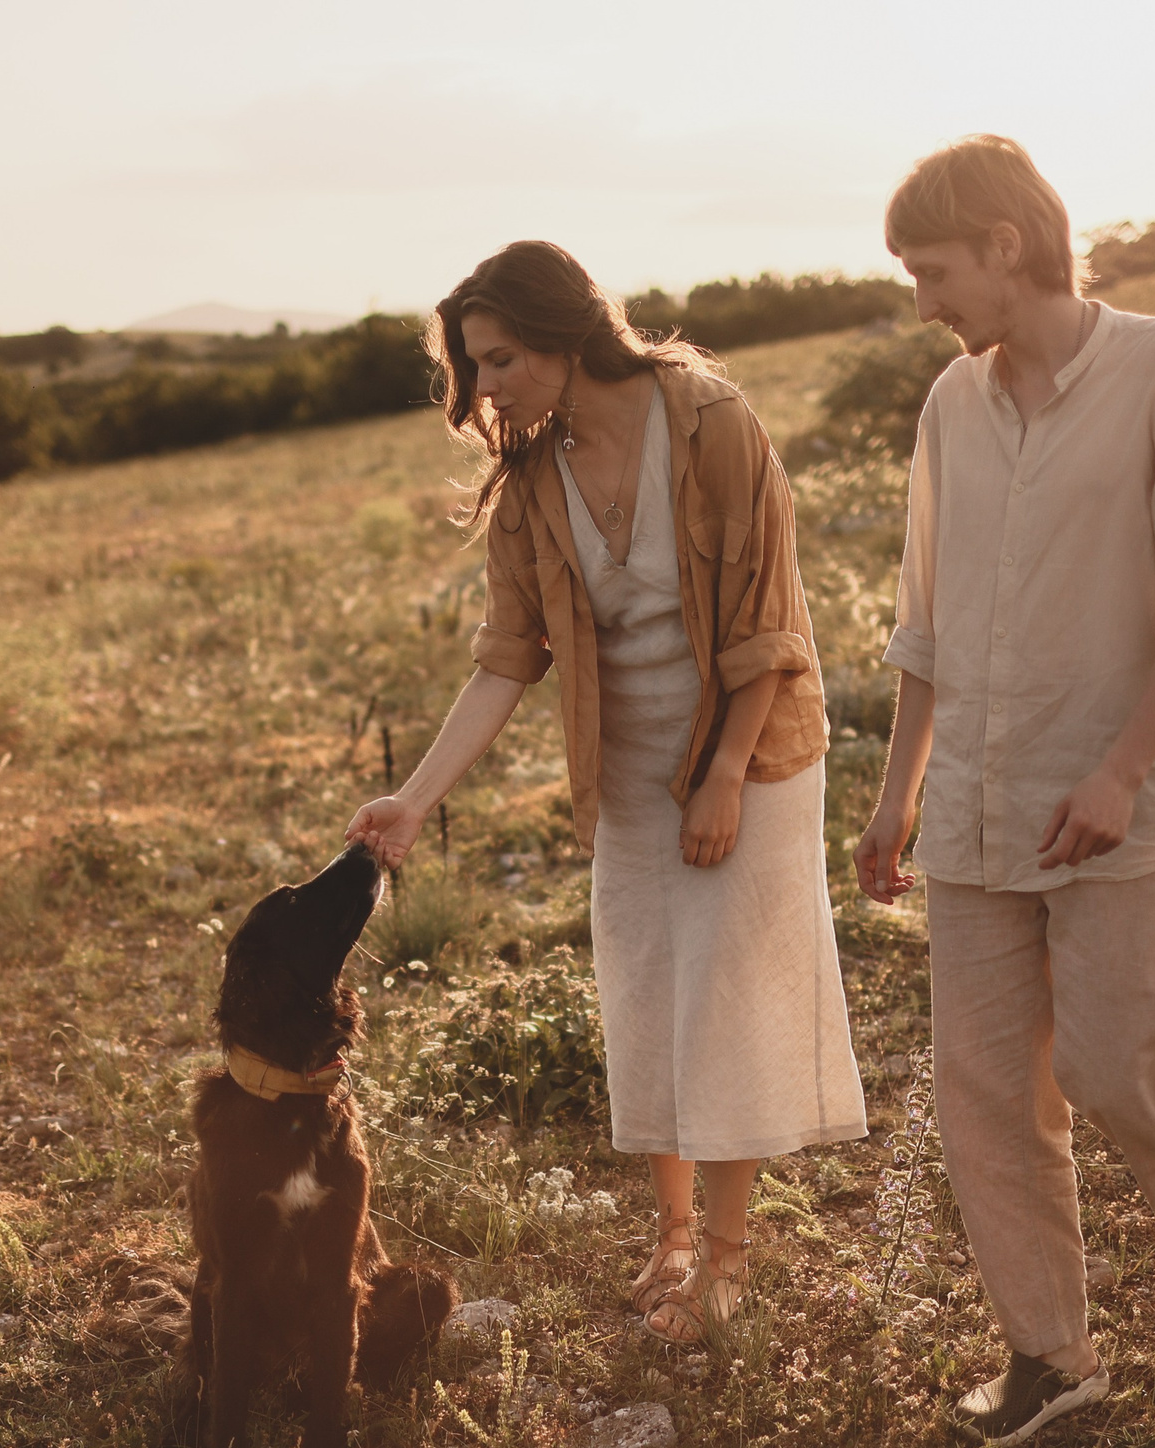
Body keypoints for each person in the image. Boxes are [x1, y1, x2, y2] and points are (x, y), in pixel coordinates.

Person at [347, 240, 866, 1342]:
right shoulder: (533, 476)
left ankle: (724, 1268)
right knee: (648, 998)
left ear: (563, 333)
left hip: (751, 752)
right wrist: (416, 798)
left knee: (722, 999)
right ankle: (672, 1236)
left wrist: (722, 778)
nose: (484, 388)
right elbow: (505, 656)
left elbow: (772, 624)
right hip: (624, 771)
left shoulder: (712, 420)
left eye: (498, 359)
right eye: (472, 366)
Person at [851, 136, 1155, 1447]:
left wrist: (1122, 765)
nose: (923, 299)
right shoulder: (949, 408)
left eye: (933, 269)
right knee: (984, 1088)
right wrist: (893, 797)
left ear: (1008, 244)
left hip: (1121, 802)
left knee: (1120, 1068)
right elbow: (925, 624)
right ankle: (1051, 1353)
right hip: (977, 808)